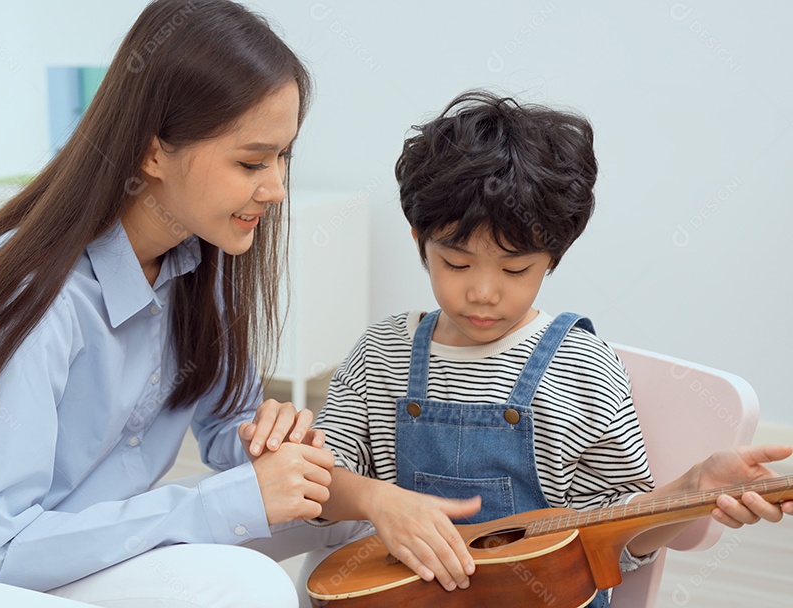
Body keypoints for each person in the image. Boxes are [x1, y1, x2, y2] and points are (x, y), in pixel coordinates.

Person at [0, 1, 335, 605]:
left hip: (104, 529)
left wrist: (263, 441)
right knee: (248, 588)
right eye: (251, 162)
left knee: (351, 519)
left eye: (283, 157)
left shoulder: (198, 252)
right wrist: (227, 501)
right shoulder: (33, 299)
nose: (277, 190)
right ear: (152, 152)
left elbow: (220, 423)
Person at [307, 90, 793, 607]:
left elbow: (619, 541)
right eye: (456, 263)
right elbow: (317, 489)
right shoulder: (382, 352)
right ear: (418, 240)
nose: (483, 292)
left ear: (553, 258)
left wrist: (692, 487)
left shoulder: (583, 369)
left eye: (515, 269)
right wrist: (375, 499)